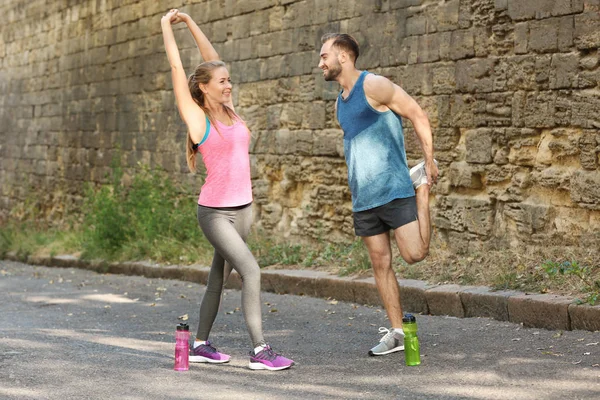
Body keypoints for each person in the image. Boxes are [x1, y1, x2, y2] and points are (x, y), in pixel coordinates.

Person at [161, 9, 294, 371]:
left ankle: (199, 343)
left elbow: (210, 58)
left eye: (229, 79)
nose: (228, 85)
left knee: (217, 279)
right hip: (216, 212)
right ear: (204, 87)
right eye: (221, 81)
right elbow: (178, 71)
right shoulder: (198, 118)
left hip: (243, 209)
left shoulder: (230, 111)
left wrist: (190, 23)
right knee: (251, 272)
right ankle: (260, 351)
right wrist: (165, 27)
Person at [318, 33, 439, 356]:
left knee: (414, 254)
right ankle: (398, 332)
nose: (321, 63)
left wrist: (428, 161)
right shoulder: (339, 104)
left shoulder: (374, 85)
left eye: (324, 56)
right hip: (364, 199)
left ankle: (421, 190)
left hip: (394, 189)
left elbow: (417, 114)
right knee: (380, 263)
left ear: (343, 57)